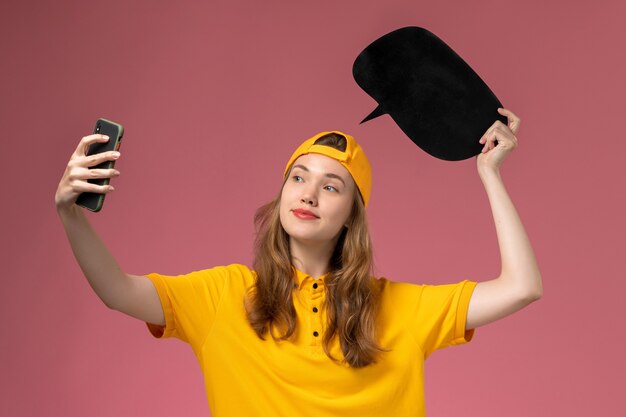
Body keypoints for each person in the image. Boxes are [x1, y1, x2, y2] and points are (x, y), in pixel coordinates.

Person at [55, 108, 542, 417]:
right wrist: (70, 213)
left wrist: (489, 173)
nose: (308, 193)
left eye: (332, 186)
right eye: (298, 178)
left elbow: (522, 286)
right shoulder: (223, 295)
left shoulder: (399, 307)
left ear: (353, 214)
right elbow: (117, 291)